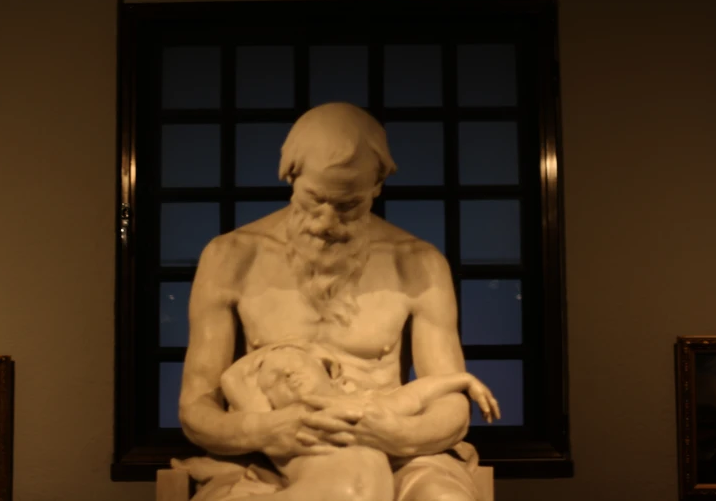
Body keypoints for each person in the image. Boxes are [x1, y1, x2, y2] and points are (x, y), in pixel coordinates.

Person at [178, 102, 491, 501]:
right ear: (290, 176)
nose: (327, 222)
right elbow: (196, 408)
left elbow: (450, 409)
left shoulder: (417, 263)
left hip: (394, 456)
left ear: (376, 187)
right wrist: (266, 430)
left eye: (348, 205)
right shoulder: (231, 258)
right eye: (314, 199)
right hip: (264, 460)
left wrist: (398, 434)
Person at [175, 340, 499, 501]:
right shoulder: (278, 420)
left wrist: (463, 380)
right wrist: (272, 350)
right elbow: (232, 379)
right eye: (273, 380)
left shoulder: (366, 405)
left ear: (330, 370)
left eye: (296, 365)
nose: (286, 374)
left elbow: (416, 395)